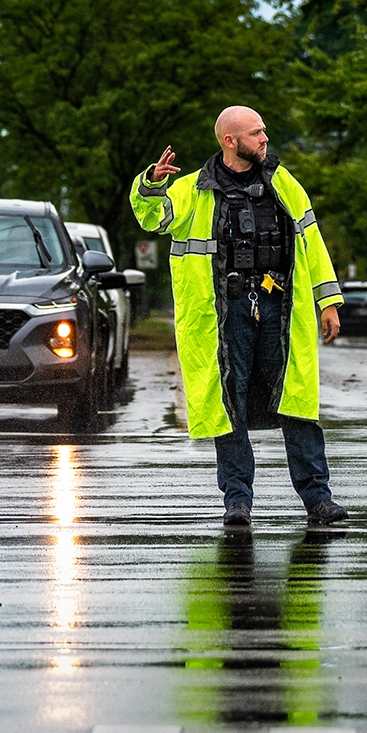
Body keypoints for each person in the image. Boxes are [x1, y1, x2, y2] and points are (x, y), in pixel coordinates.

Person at [130, 106, 348, 527]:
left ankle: (318, 499)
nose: (265, 138)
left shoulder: (283, 183)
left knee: (297, 401)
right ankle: (237, 502)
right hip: (224, 311)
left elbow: (311, 240)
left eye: (264, 130)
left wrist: (328, 301)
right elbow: (151, 217)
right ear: (231, 141)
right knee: (230, 402)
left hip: (279, 307)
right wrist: (152, 184)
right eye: (256, 133)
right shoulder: (194, 189)